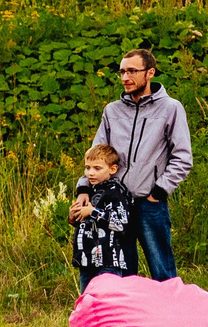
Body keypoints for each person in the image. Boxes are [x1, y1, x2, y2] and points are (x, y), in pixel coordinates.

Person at [68, 47, 192, 280]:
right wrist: (84, 188)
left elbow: (183, 157)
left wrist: (158, 191)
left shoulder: (170, 108)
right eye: (122, 72)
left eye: (132, 71)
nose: (125, 77)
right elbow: (96, 154)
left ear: (150, 72)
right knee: (122, 274)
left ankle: (168, 316)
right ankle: (127, 316)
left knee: (162, 270)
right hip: (113, 204)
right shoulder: (112, 111)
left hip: (149, 204)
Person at [71, 143, 136, 292]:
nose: (90, 173)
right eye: (87, 168)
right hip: (86, 259)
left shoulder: (116, 192)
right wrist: (74, 216)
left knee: (107, 300)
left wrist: (93, 212)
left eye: (97, 168)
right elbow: (85, 223)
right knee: (87, 300)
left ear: (112, 169)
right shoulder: (88, 191)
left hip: (108, 260)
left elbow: (121, 224)